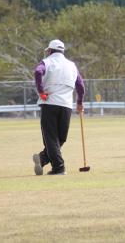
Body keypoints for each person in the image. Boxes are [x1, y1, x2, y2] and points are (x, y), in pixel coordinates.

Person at [32, 39, 85, 175]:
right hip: (66, 106)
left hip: (49, 103)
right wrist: (79, 102)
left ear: (49, 50)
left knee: (51, 138)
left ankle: (52, 163)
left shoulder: (47, 62)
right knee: (60, 138)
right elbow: (80, 86)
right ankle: (50, 162)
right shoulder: (72, 65)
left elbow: (38, 72)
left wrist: (41, 91)